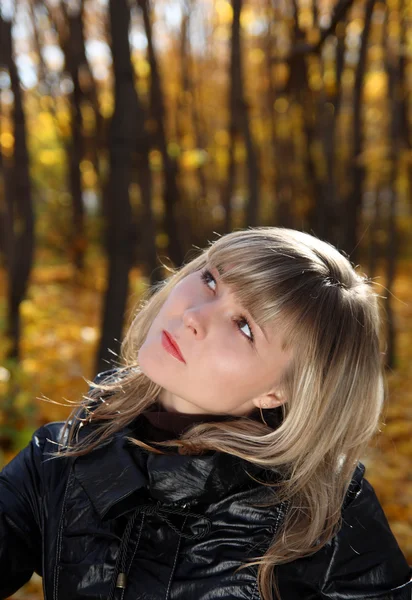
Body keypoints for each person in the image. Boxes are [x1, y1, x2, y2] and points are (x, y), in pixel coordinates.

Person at [1, 227, 411, 600]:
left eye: (245, 327)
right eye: (211, 280)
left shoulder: (325, 514)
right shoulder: (64, 455)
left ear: (279, 391)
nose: (194, 316)